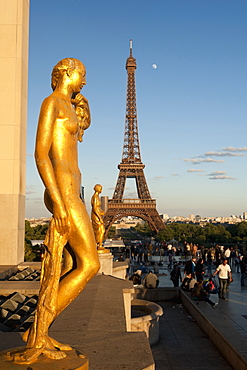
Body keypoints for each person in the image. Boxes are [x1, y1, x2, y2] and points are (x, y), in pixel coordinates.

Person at [9, 58, 100, 364]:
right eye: (82, 74)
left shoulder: (68, 104)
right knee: (90, 265)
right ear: (66, 72)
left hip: (73, 192)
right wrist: (59, 202)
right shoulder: (52, 103)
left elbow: (78, 132)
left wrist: (83, 110)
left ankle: (41, 333)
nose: (84, 80)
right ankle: (37, 331)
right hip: (65, 193)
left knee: (67, 267)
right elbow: (40, 153)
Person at [91, 184, 108, 253]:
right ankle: (99, 245)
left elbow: (97, 208)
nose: (101, 190)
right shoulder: (95, 197)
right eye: (101, 189)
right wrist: (100, 218)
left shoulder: (97, 197)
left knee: (101, 231)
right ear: (98, 189)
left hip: (97, 215)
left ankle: (99, 244)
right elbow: (95, 208)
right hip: (96, 217)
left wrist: (101, 212)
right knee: (101, 230)